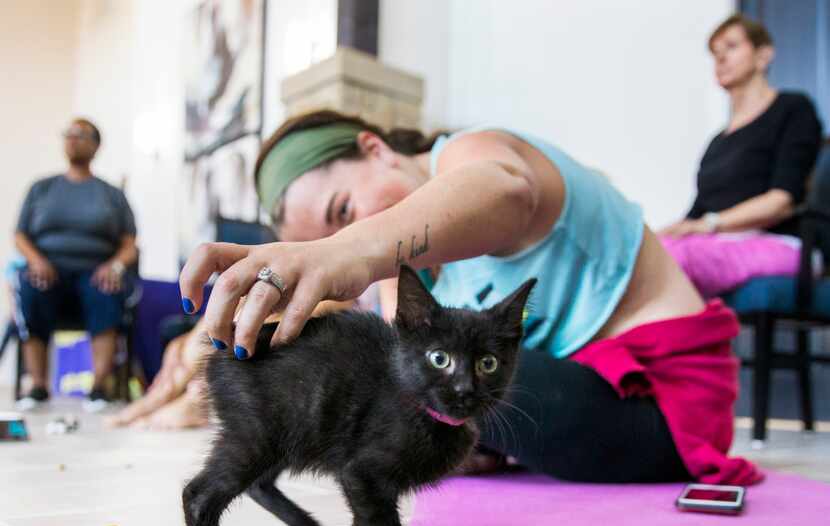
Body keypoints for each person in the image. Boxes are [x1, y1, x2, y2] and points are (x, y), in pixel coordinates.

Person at [177, 109, 763, 486]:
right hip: (582, 402)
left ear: (375, 147)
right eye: (331, 233)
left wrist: (342, 251)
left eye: (342, 212)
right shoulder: (410, 279)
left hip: (666, 408)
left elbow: (507, 190)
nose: (351, 230)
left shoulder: (474, 152)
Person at [661, 13, 823, 297]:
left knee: (672, 263)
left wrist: (708, 225)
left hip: (783, 243)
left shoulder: (793, 109)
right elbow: (696, 214)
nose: (721, 58)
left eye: (732, 47)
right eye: (715, 53)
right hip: (719, 242)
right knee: (643, 256)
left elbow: (780, 202)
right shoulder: (718, 143)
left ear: (764, 55)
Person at [13, 118, 138, 411]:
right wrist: (36, 261)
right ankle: (38, 385)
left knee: (106, 291)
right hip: (47, 270)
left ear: (95, 146)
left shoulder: (111, 195)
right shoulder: (41, 189)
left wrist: (115, 267)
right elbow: (20, 235)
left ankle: (98, 388)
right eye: (68, 134)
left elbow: (130, 244)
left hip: (96, 272)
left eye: (80, 135)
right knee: (30, 289)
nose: (72, 139)